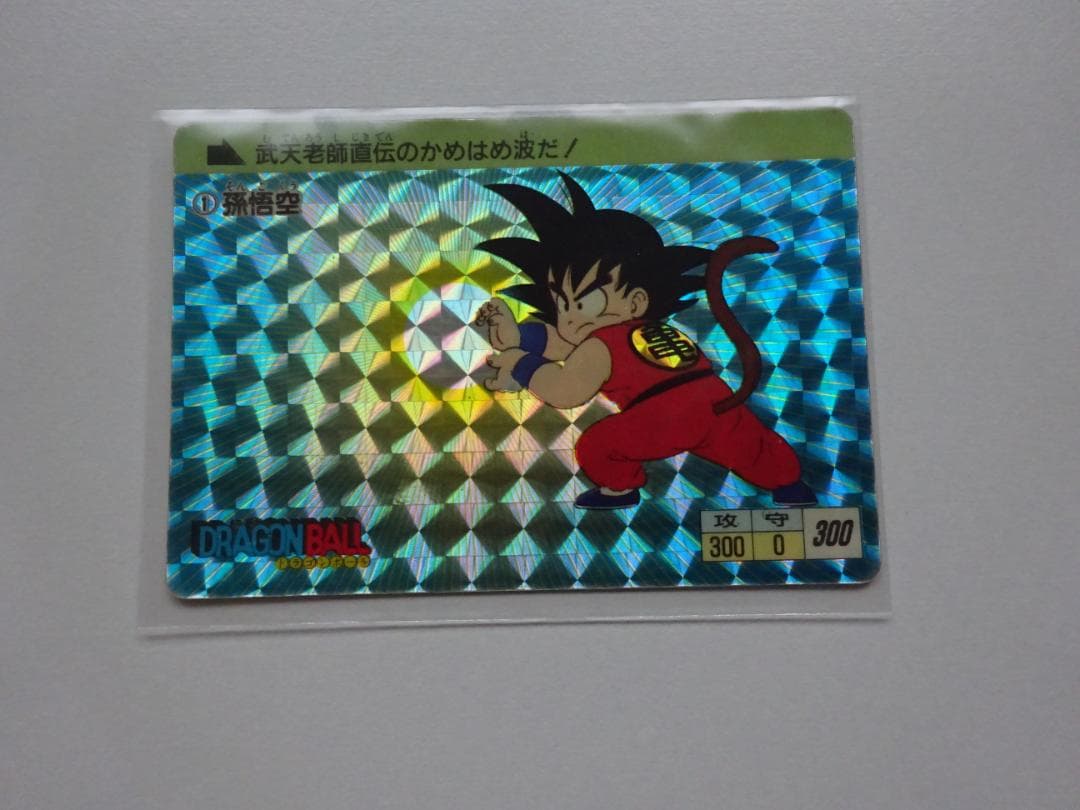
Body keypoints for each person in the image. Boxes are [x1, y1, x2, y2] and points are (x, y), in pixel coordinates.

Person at [475, 173, 815, 510]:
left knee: (598, 445)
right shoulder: (647, 331)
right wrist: (517, 338)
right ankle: (789, 485)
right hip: (715, 398)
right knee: (751, 445)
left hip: (662, 417)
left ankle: (621, 488)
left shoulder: (600, 344)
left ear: (636, 301)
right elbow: (570, 347)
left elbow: (567, 391)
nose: (569, 317)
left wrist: (522, 362)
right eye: (562, 303)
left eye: (585, 302)